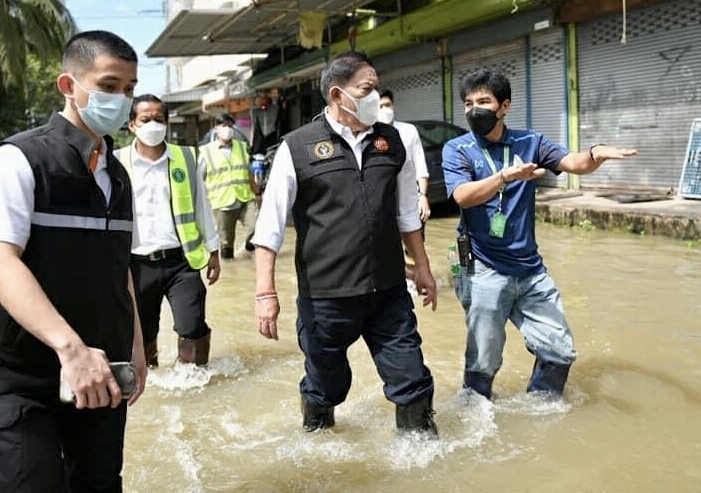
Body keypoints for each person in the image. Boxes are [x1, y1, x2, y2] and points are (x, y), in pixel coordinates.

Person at [0, 30, 146, 491]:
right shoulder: (18, 160)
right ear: (68, 86)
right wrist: (71, 349)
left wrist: (135, 347)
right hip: (16, 380)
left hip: (98, 375)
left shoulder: (116, 175)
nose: (122, 100)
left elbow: (119, 270)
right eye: (110, 86)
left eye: (130, 89)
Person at [252, 51, 439, 437]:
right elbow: (269, 226)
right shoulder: (297, 146)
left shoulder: (394, 141)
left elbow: (407, 213)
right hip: (326, 297)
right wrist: (265, 293)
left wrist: (422, 267)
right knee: (327, 387)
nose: (376, 97)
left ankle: (425, 460)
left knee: (412, 380)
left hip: (387, 291)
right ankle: (320, 448)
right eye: (367, 89)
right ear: (338, 94)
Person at [441, 68, 637, 400]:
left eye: (484, 101)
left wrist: (594, 155)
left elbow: (573, 163)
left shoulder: (530, 142)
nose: (475, 110)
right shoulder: (457, 149)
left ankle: (539, 413)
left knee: (559, 352)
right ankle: (476, 417)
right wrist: (505, 176)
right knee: (483, 361)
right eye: (469, 103)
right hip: (483, 267)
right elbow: (462, 196)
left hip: (530, 269)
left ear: (504, 106)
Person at [115, 94, 220, 368]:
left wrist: (214, 249)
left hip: (181, 262)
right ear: (132, 125)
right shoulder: (117, 163)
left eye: (158, 119)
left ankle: (194, 383)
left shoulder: (186, 157)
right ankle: (151, 380)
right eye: (145, 119)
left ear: (167, 122)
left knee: (192, 324)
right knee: (143, 330)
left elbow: (202, 206)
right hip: (136, 266)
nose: (153, 125)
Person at [199, 113, 260, 260]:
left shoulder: (242, 147)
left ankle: (249, 247)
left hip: (245, 198)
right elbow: (199, 180)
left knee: (257, 228)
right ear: (216, 128)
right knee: (226, 244)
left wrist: (257, 192)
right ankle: (229, 266)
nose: (227, 129)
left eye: (230, 126)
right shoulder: (206, 151)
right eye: (224, 125)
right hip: (222, 203)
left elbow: (248, 172)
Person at [378, 89, 430, 223]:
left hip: (410, 205)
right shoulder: (370, 135)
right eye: (380, 106)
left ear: (393, 105)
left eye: (388, 105)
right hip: (383, 209)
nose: (385, 109)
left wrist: (423, 196)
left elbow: (420, 165)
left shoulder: (408, 131)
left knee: (415, 242)